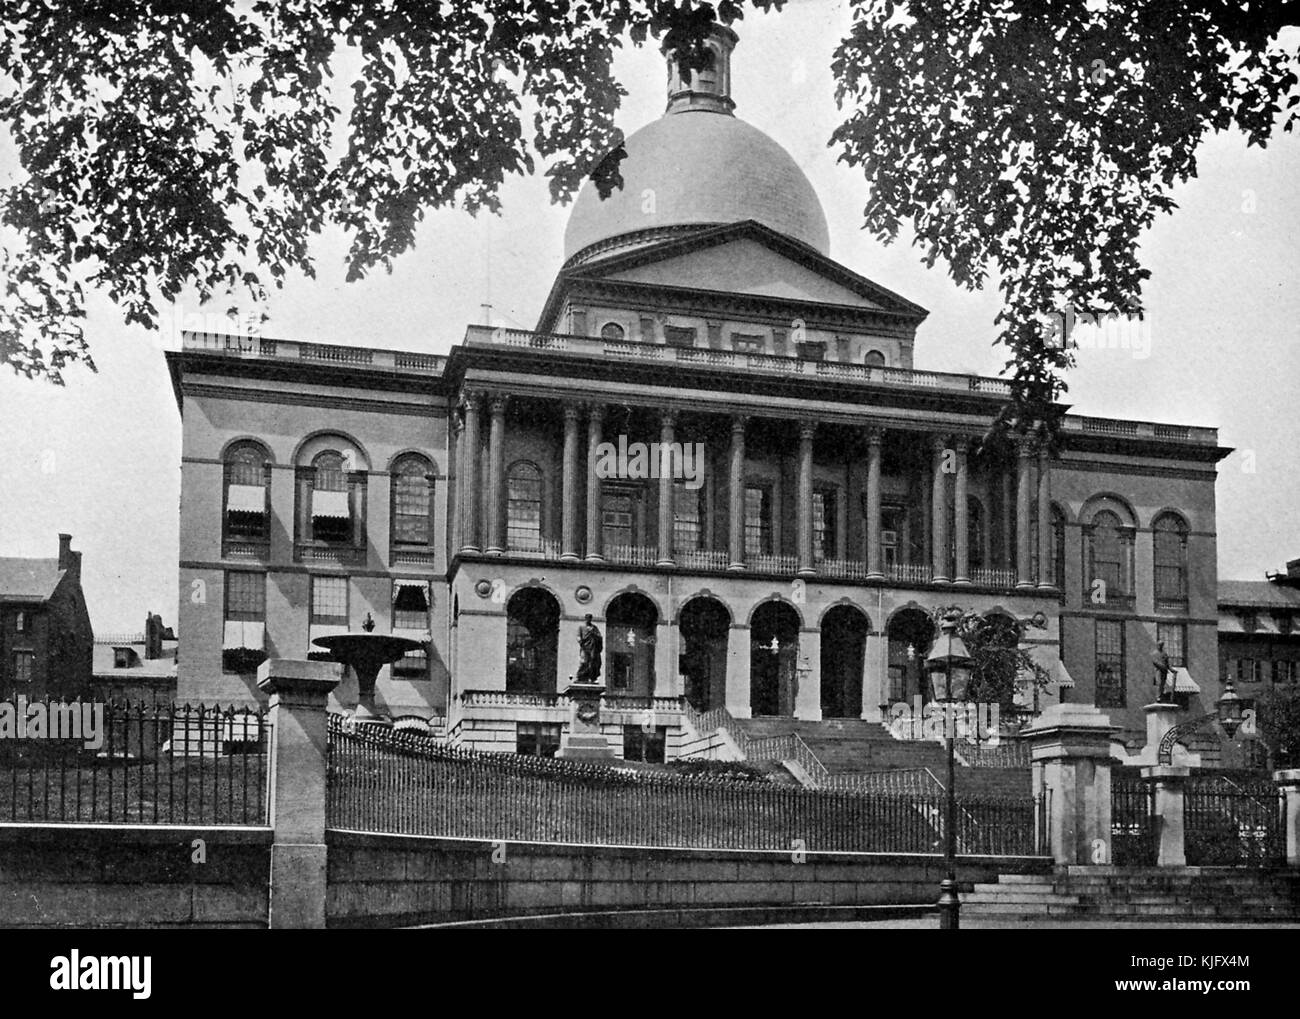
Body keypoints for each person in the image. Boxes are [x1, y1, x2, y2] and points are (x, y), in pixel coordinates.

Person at [577, 614, 604, 684]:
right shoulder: (581, 627)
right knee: (584, 662)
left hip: (593, 647)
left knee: (593, 662)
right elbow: (578, 636)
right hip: (585, 647)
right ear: (585, 619)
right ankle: (581, 677)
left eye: (590, 618)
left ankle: (592, 678)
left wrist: (594, 634)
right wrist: (580, 640)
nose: (588, 619)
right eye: (587, 618)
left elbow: (599, 636)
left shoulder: (594, 627)